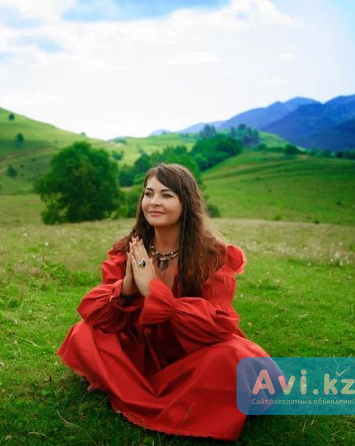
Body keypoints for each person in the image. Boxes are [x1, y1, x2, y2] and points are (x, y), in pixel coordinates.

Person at [57, 163, 270, 441]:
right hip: (144, 350)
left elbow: (218, 324)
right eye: (148, 194)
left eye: (166, 195)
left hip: (193, 352)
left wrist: (156, 293)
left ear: (186, 203)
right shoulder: (130, 249)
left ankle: (130, 390)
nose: (154, 202)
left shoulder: (212, 255)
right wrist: (127, 288)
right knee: (85, 334)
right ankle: (141, 391)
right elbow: (96, 313)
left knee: (235, 357)